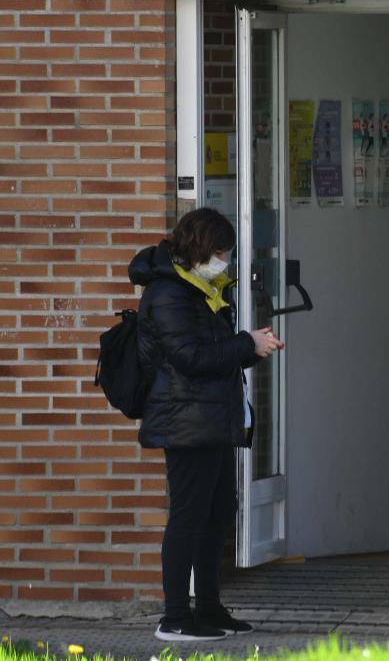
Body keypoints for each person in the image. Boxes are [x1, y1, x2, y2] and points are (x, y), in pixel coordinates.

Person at [128, 208, 285, 642]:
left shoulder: (202, 289)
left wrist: (253, 348)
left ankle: (210, 608)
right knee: (188, 517)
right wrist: (245, 343)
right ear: (199, 247)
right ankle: (175, 617)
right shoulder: (169, 293)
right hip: (185, 420)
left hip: (208, 416)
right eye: (220, 251)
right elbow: (190, 358)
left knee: (217, 514)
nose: (224, 260)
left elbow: (214, 354)